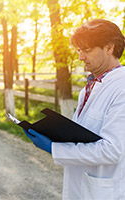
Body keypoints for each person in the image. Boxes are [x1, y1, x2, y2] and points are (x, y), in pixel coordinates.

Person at [24, 19, 125, 199]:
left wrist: (54, 148)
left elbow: (112, 150)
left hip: (104, 192)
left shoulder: (121, 88)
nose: (80, 57)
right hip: (80, 188)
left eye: (86, 50)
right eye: (79, 51)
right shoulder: (91, 86)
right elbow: (84, 135)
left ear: (109, 48)